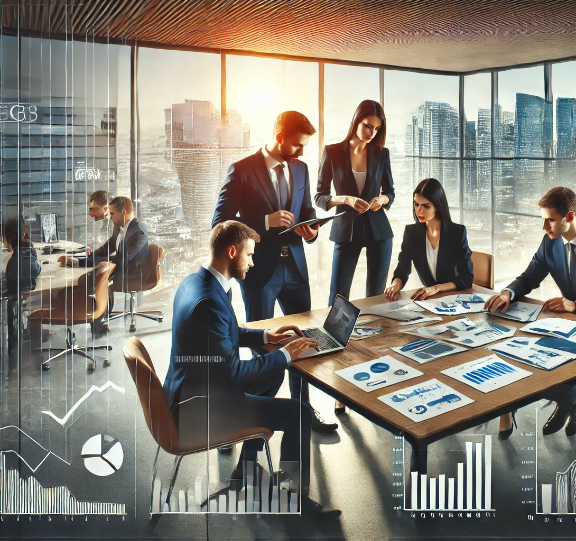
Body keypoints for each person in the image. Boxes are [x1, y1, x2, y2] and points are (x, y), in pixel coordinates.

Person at [162, 221, 339, 517]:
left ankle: (243, 473)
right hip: (199, 410)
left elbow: (227, 332)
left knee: (273, 373)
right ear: (232, 252)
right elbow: (232, 373)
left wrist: (269, 337)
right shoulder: (208, 302)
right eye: (250, 255)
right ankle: (292, 500)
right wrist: (283, 355)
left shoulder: (199, 282)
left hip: (192, 390)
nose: (253, 262)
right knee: (300, 413)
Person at [212, 111, 337, 433]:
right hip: (260, 272)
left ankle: (304, 412)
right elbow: (221, 225)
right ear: (280, 137)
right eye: (297, 145)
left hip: (295, 267)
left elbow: (306, 210)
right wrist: (264, 223)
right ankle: (247, 418)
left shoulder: (301, 168)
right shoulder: (241, 170)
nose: (302, 152)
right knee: (261, 347)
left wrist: (311, 228)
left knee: (305, 341)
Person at [485, 187, 576, 438]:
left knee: (555, 359)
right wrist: (508, 293)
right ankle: (574, 402)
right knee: (522, 352)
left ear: (569, 217)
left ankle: (567, 403)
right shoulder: (550, 243)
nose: (544, 227)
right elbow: (530, 276)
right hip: (564, 322)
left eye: (550, 220)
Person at [315, 99, 395, 304]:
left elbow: (390, 192)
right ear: (356, 121)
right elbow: (320, 197)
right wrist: (346, 199)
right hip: (346, 231)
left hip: (379, 232)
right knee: (338, 296)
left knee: (376, 296)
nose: (372, 133)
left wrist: (382, 199)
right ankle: (334, 336)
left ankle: (375, 335)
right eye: (368, 126)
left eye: (376, 129)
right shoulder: (332, 152)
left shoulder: (381, 154)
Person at [60, 196, 149, 333]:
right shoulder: (120, 226)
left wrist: (88, 262)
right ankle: (98, 318)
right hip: (119, 267)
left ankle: (99, 319)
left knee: (99, 279)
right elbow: (108, 247)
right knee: (96, 274)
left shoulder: (138, 231)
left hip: (133, 272)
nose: (109, 216)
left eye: (112, 213)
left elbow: (123, 260)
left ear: (124, 212)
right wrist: (86, 258)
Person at [385, 178, 473, 301]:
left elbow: (467, 278)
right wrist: (395, 285)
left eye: (426, 206)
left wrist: (436, 288)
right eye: (416, 204)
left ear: (438, 206)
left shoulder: (457, 233)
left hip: (455, 298)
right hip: (430, 301)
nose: (419, 211)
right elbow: (403, 268)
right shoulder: (411, 233)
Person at [2, 218, 41, 353]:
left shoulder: (5, 258)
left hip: (11, 293)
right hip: (28, 290)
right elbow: (37, 269)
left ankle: (13, 347)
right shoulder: (29, 249)